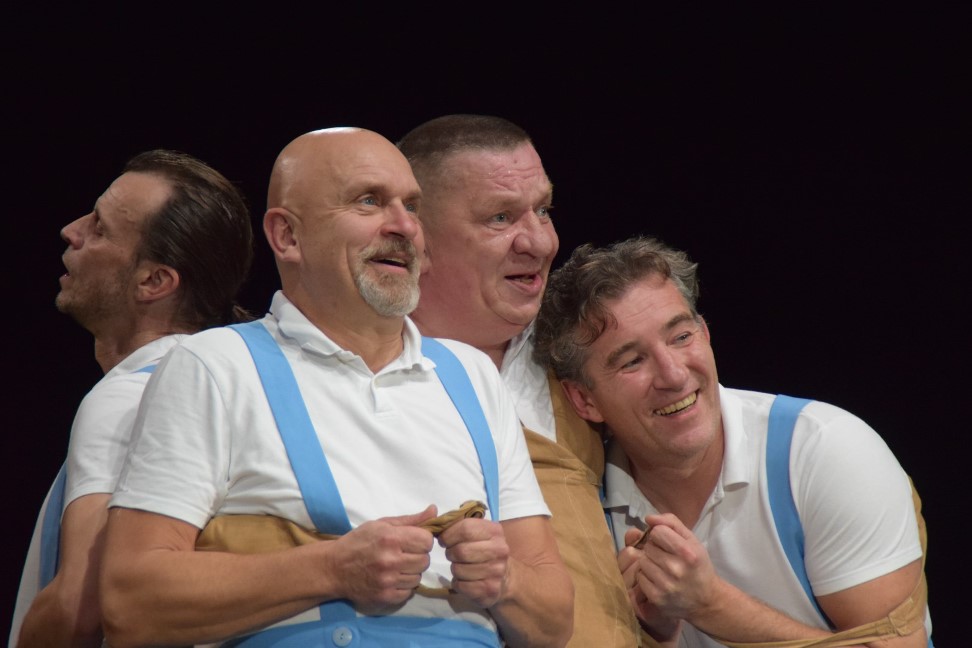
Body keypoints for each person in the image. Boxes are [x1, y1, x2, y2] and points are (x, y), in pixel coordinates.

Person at [99, 127, 573, 648]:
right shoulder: (215, 366)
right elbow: (130, 603)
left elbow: (554, 623)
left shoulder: (472, 376)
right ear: (287, 236)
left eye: (412, 207)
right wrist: (332, 570)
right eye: (368, 201)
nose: (404, 226)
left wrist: (507, 582)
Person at [532, 235, 932, 648]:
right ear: (583, 399)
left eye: (681, 337)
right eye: (632, 361)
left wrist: (709, 605)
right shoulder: (582, 509)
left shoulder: (826, 452)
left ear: (705, 334)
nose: (673, 375)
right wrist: (655, 636)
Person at [397, 114, 640, 647]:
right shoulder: (356, 378)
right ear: (417, 237)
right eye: (500, 217)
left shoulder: (580, 358)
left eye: (544, 210)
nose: (540, 242)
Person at [10, 149, 255, 648]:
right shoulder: (232, 387)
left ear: (154, 281)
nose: (71, 231)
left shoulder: (129, 396)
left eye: (99, 228)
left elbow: (80, 606)